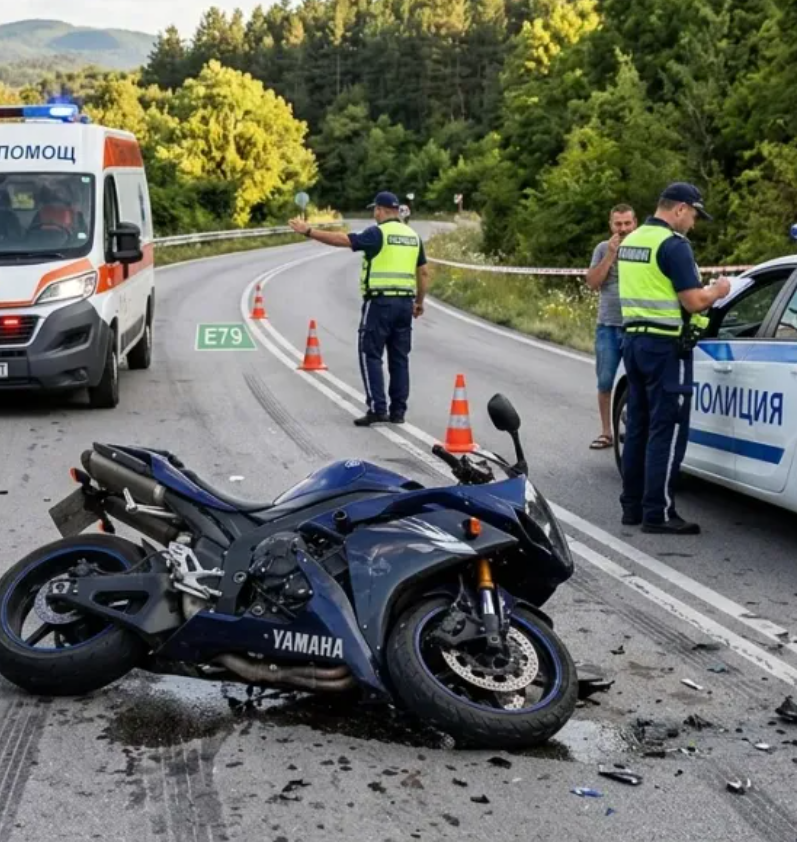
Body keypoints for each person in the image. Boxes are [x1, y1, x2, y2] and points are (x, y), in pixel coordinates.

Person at [617, 183, 731, 535]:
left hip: (633, 342)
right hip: (666, 347)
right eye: (693, 215)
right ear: (680, 208)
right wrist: (719, 290)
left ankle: (632, 507)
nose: (693, 224)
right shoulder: (673, 245)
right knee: (667, 429)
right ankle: (659, 512)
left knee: (638, 426)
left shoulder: (632, 240)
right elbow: (694, 302)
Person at [289, 191, 429, 426]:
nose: (374, 214)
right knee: (399, 358)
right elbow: (423, 272)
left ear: (380, 210)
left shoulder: (378, 233)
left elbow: (344, 240)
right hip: (405, 304)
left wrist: (309, 231)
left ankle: (377, 408)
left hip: (380, 303)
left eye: (375, 209)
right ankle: (398, 412)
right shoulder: (413, 236)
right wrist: (419, 302)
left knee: (370, 354)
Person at [585, 204, 637, 450]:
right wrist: (610, 255)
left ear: (635, 224)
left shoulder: (642, 249)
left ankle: (634, 428)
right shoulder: (602, 248)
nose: (623, 228)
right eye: (618, 224)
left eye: (627, 223)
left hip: (634, 326)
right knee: (605, 381)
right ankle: (606, 432)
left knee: (636, 381)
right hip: (607, 325)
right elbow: (592, 282)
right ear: (611, 225)